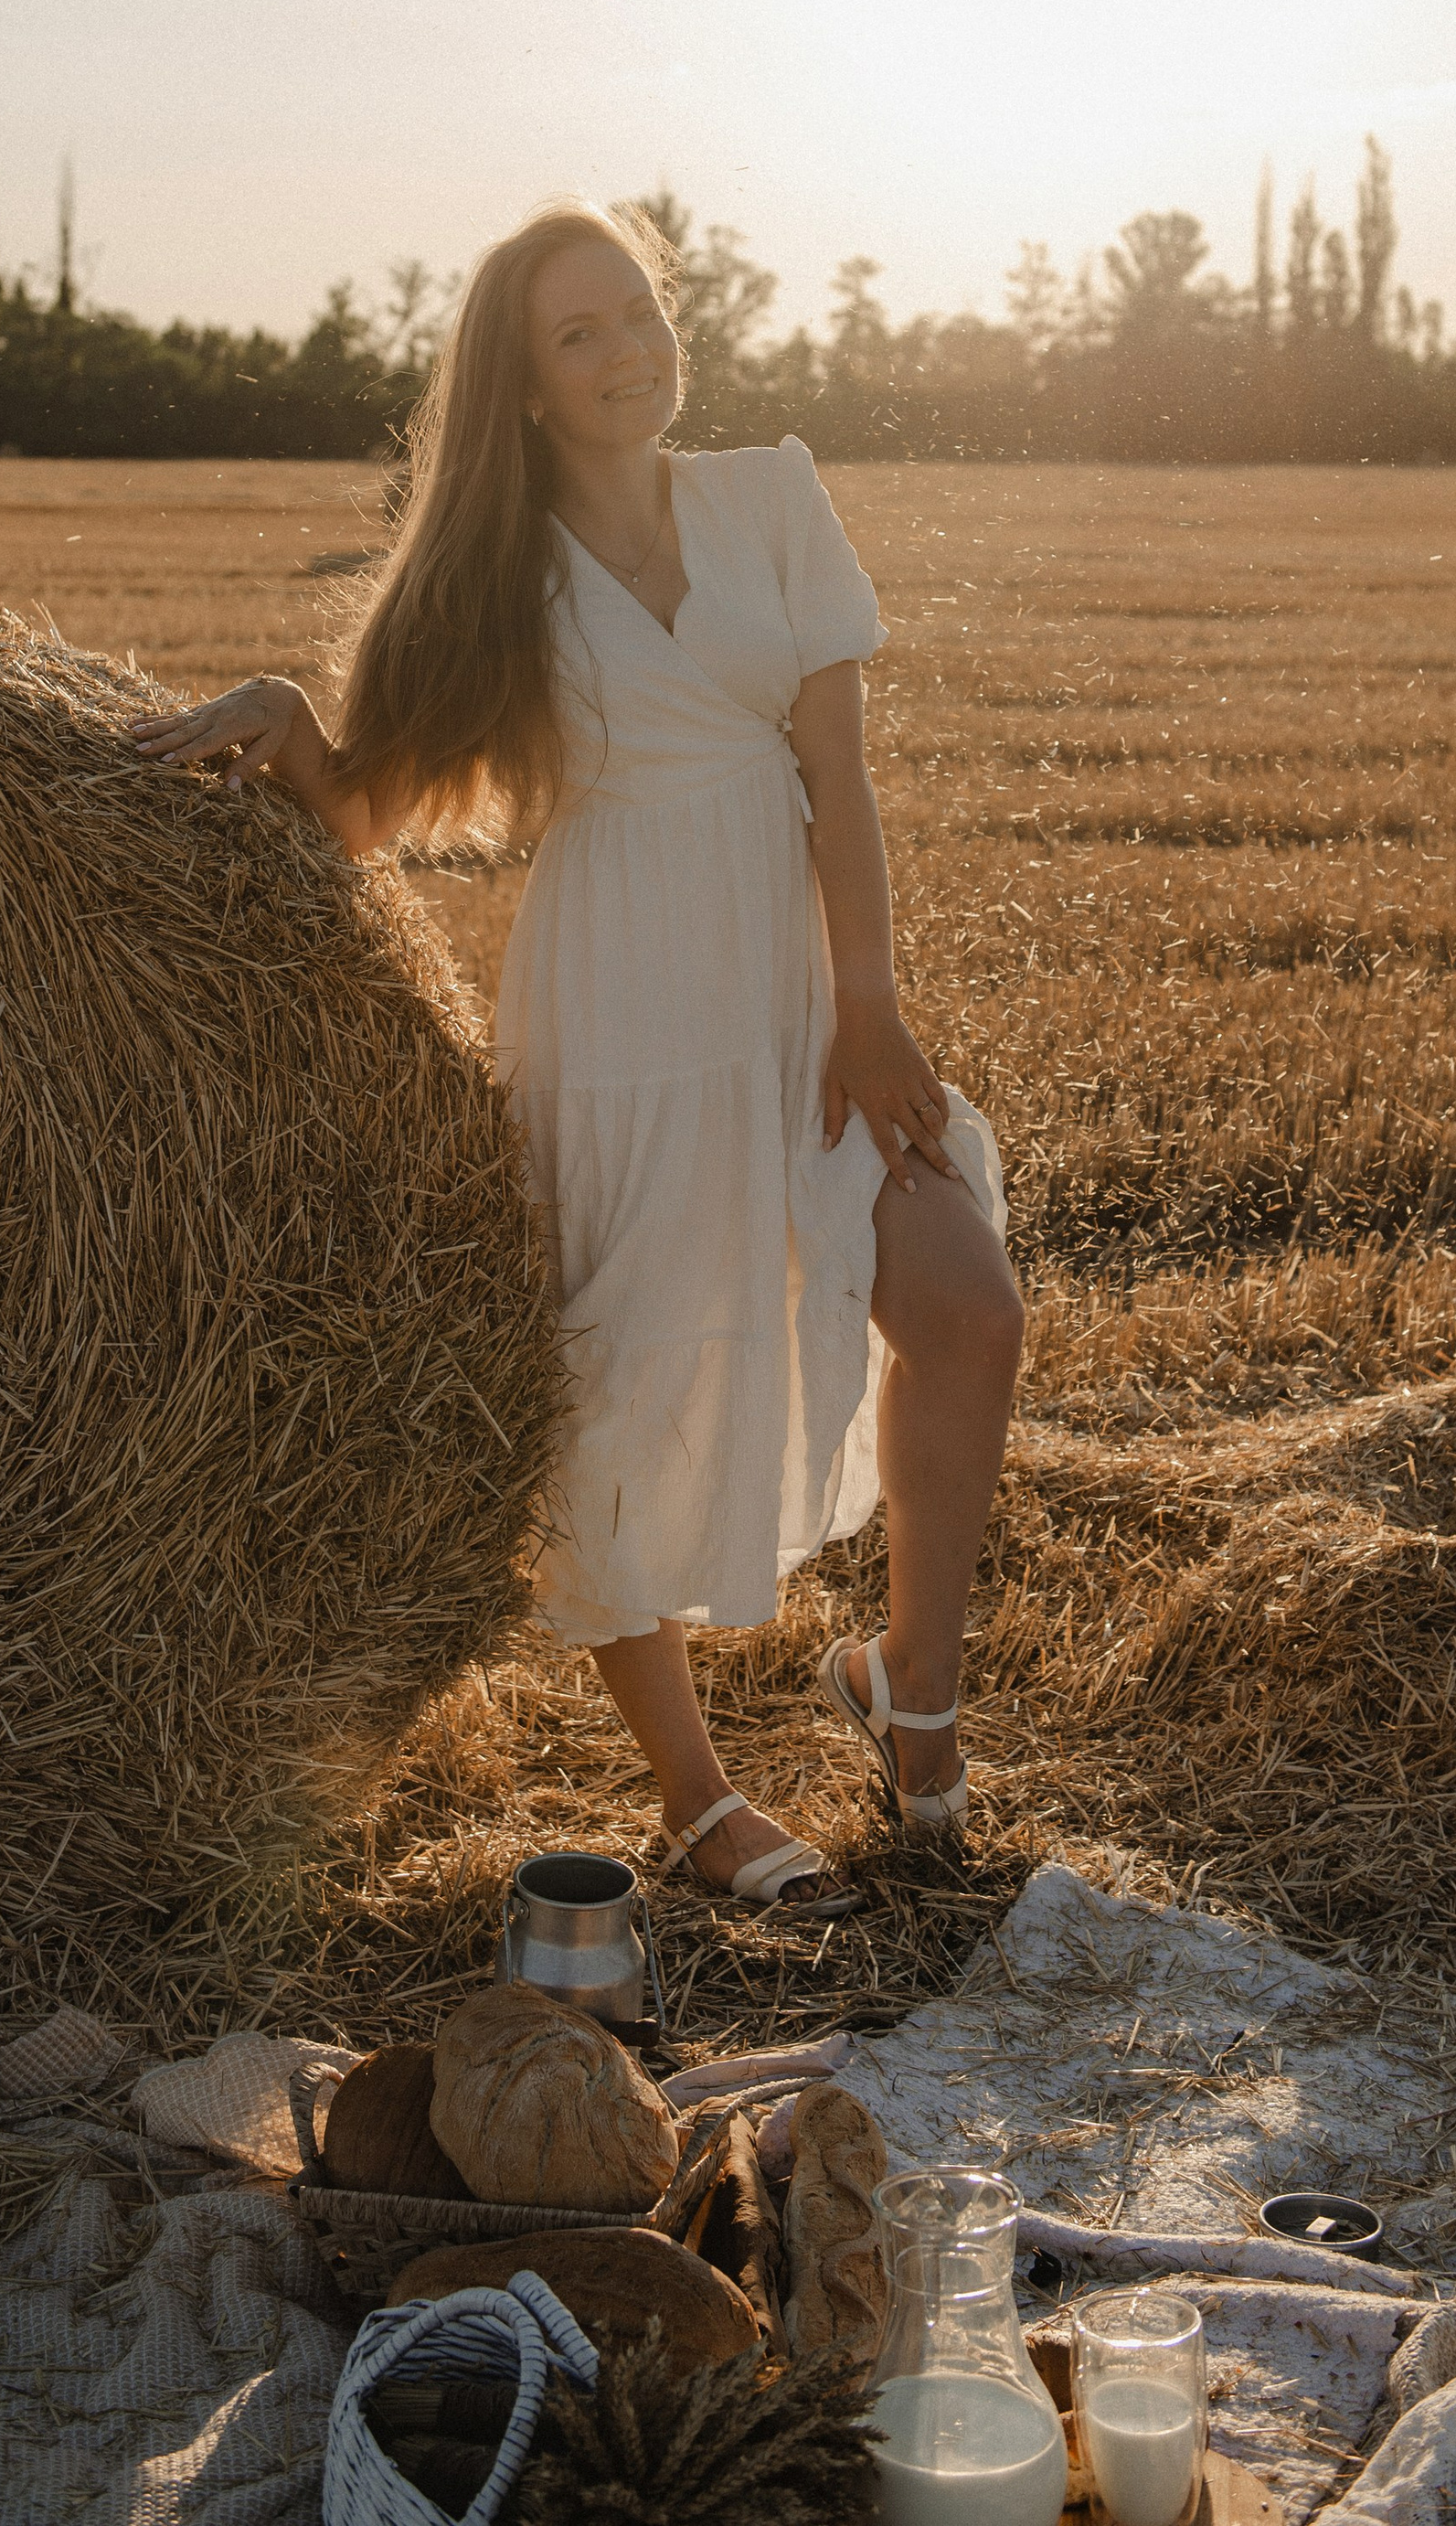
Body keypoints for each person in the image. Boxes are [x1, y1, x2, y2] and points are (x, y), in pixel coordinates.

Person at [130, 204, 1025, 1913]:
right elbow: (374, 815)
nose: (627, 353)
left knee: (965, 1309)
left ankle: (911, 1686)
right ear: (525, 390)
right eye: (578, 336)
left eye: (639, 314)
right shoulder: (501, 578)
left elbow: (838, 771)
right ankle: (696, 1799)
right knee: (617, 1391)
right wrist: (281, 711)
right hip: (619, 1015)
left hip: (802, 1000)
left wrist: (870, 997)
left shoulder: (771, 493)